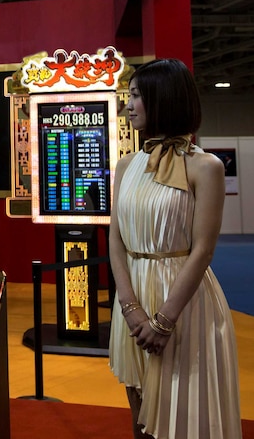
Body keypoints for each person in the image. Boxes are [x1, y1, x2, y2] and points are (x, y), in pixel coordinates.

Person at [108, 58, 242, 439]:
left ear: (162, 99)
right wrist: (130, 308)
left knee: (186, 413)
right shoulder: (126, 165)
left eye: (135, 96)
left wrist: (164, 319)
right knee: (139, 408)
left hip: (183, 304)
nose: (128, 105)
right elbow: (115, 239)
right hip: (132, 300)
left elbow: (203, 250)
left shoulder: (206, 167)